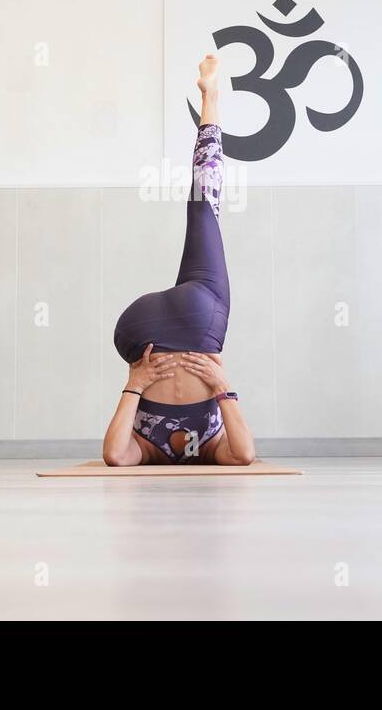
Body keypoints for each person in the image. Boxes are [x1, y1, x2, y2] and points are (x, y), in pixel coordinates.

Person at [102, 55, 256, 466]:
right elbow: (243, 455)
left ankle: (212, 99)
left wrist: (135, 386)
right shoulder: (167, 446)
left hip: (193, 317)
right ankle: (211, 96)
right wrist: (221, 388)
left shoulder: (168, 446)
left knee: (204, 206)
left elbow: (116, 457)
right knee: (202, 209)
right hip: (133, 328)